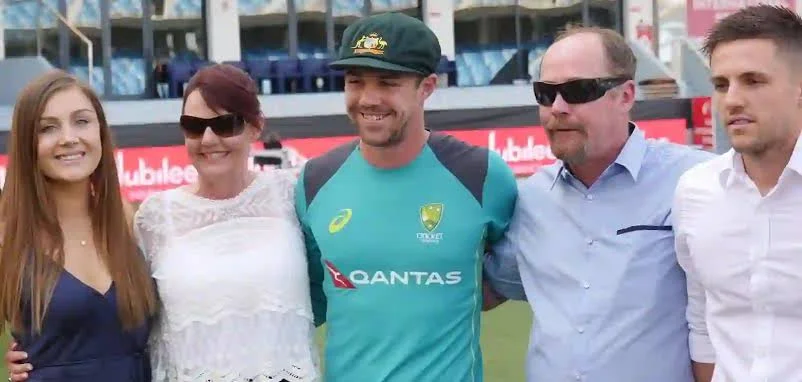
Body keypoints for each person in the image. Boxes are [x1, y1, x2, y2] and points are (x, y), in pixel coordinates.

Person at [6, 64, 321, 381]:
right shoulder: (153, 219)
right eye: (47, 128)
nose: (69, 138)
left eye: (225, 124)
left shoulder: (125, 223)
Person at [482, 26, 714, 382]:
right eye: (545, 93)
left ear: (625, 95)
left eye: (577, 90)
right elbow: (488, 288)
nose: (557, 108)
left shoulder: (696, 181)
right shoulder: (531, 199)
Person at [294, 12, 517, 381]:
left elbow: (525, 267)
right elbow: (310, 296)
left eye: (387, 82)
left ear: (427, 87)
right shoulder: (315, 180)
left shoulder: (482, 175)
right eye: (355, 82)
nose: (369, 98)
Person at [0, 70, 158, 381]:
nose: (69, 137)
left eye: (82, 121)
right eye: (47, 128)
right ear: (27, 143)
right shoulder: (8, 236)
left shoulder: (132, 222)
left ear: (100, 131)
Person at [673, 5, 802, 381]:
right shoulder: (695, 192)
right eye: (721, 84)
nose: (732, 100)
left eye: (753, 81)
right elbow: (702, 322)